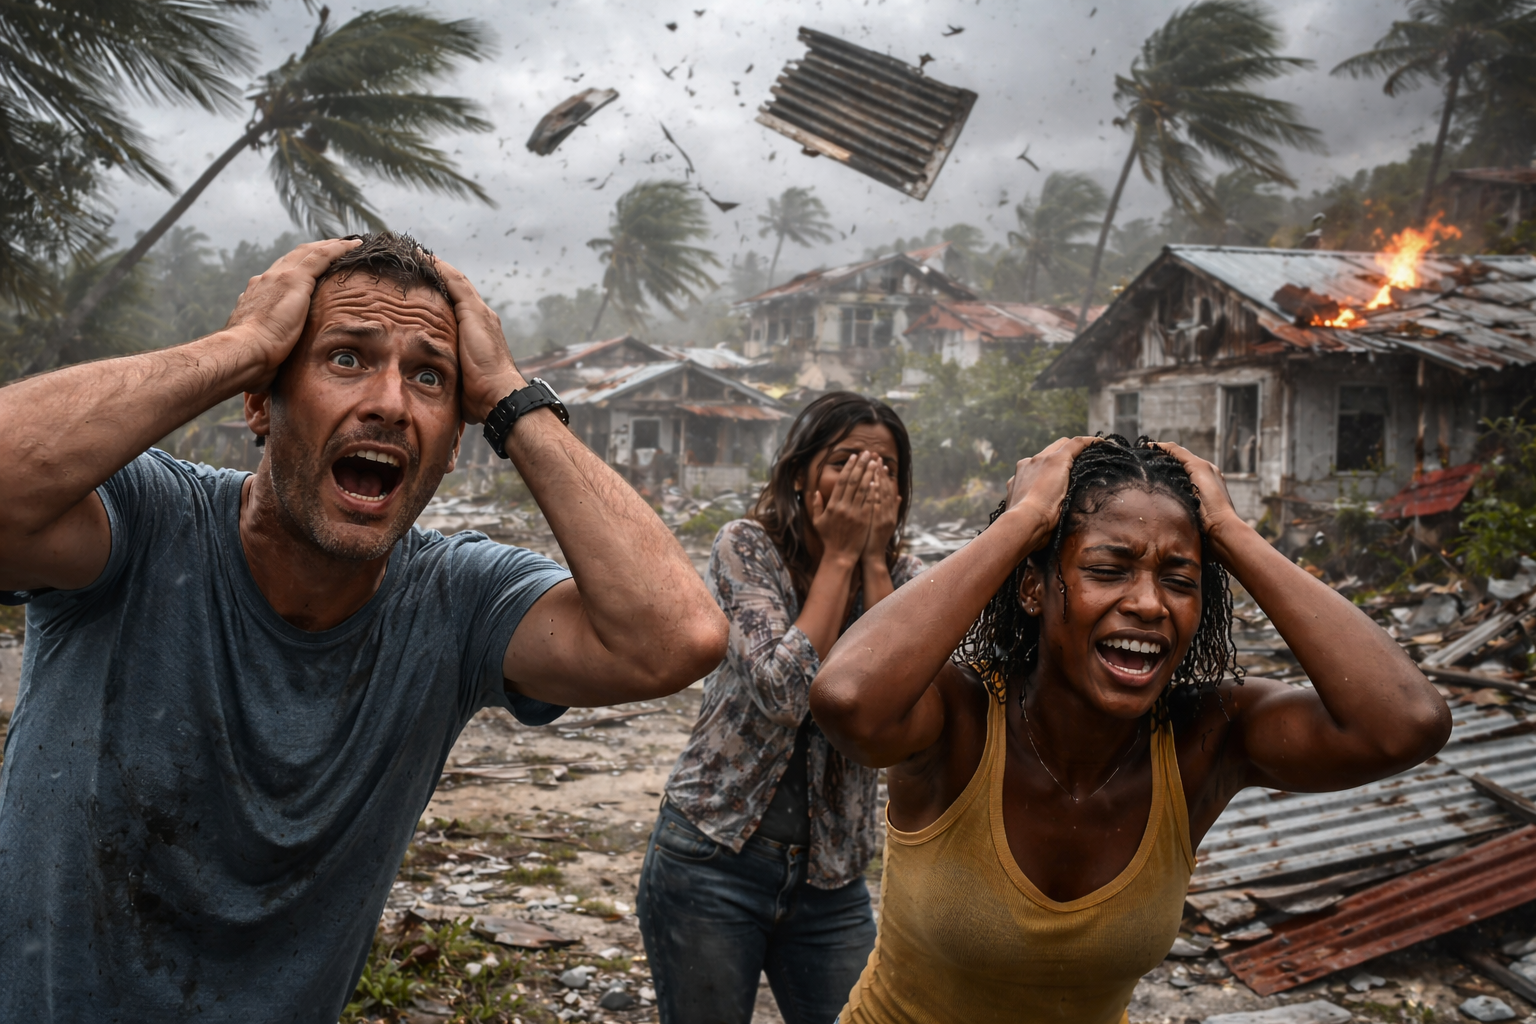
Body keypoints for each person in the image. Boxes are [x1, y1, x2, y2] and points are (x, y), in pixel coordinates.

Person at [0, 233, 727, 1022]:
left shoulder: (460, 601)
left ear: (454, 445)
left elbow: (675, 636)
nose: (389, 403)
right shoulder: (144, 520)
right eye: (346, 358)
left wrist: (510, 396)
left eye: (430, 378)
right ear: (259, 402)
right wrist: (243, 345)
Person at [810, 434, 1451, 1024]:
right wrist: (1024, 520)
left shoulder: (1208, 739)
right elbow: (847, 698)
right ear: (1033, 590)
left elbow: (1406, 724)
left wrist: (1228, 529)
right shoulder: (961, 717)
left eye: (1180, 581)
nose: (1149, 604)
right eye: (1108, 569)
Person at [637, 392, 923, 1024]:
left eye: (882, 469)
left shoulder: (909, 581)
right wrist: (841, 558)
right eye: (844, 460)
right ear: (800, 474)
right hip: (711, 861)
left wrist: (872, 562)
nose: (862, 480)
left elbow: (893, 714)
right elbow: (784, 692)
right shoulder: (747, 549)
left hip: (832, 880)